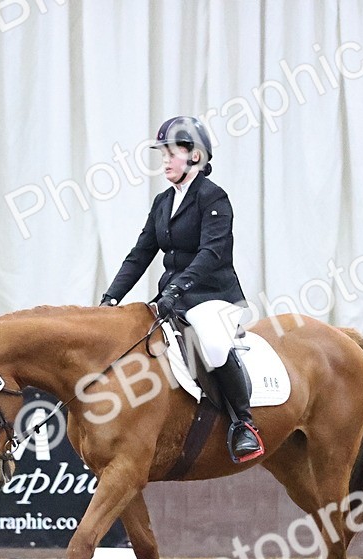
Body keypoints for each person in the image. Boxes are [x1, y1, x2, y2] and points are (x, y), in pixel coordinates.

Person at [100, 116, 264, 463]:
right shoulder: (163, 202)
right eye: (162, 153)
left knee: (215, 346)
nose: (164, 160)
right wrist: (111, 298)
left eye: (171, 153)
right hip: (173, 299)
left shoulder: (214, 197)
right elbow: (141, 252)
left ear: (195, 156)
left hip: (213, 295)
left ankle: (244, 425)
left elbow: (212, 252)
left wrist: (177, 289)